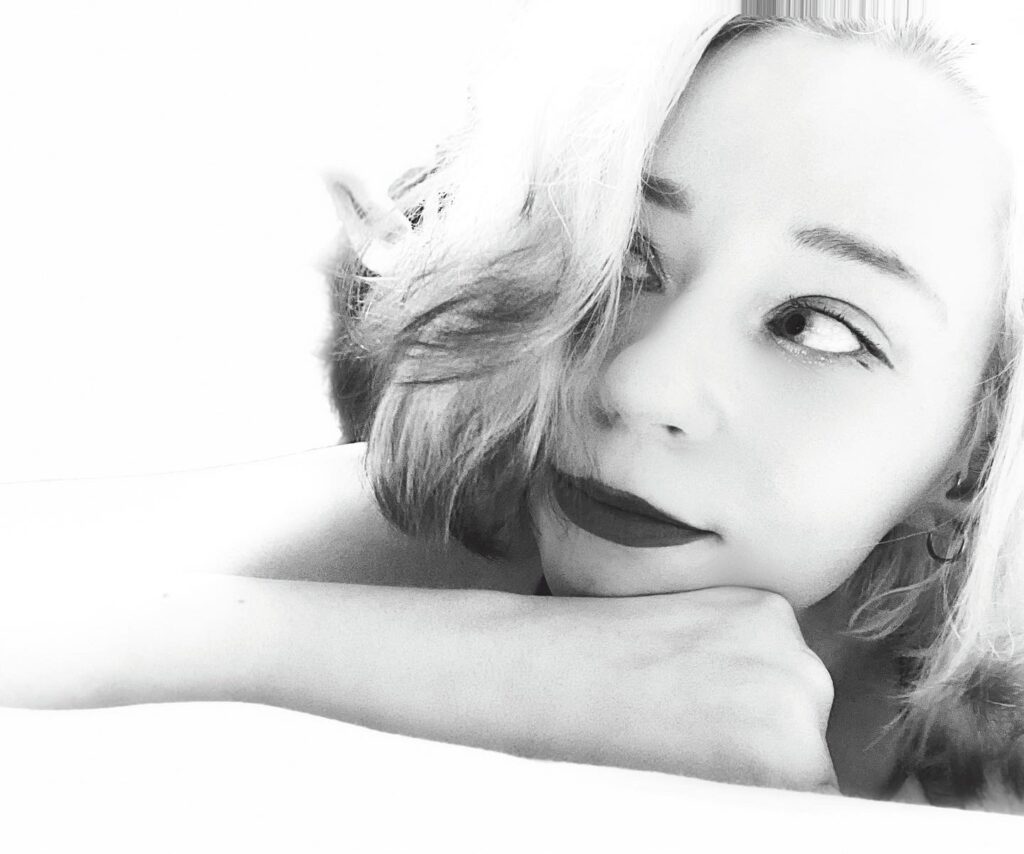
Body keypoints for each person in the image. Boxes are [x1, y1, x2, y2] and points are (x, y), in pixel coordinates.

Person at [3, 0, 1023, 812]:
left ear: (975, 450)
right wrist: (499, 667)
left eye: (818, 327)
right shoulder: (484, 502)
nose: (637, 384)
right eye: (623, 259)